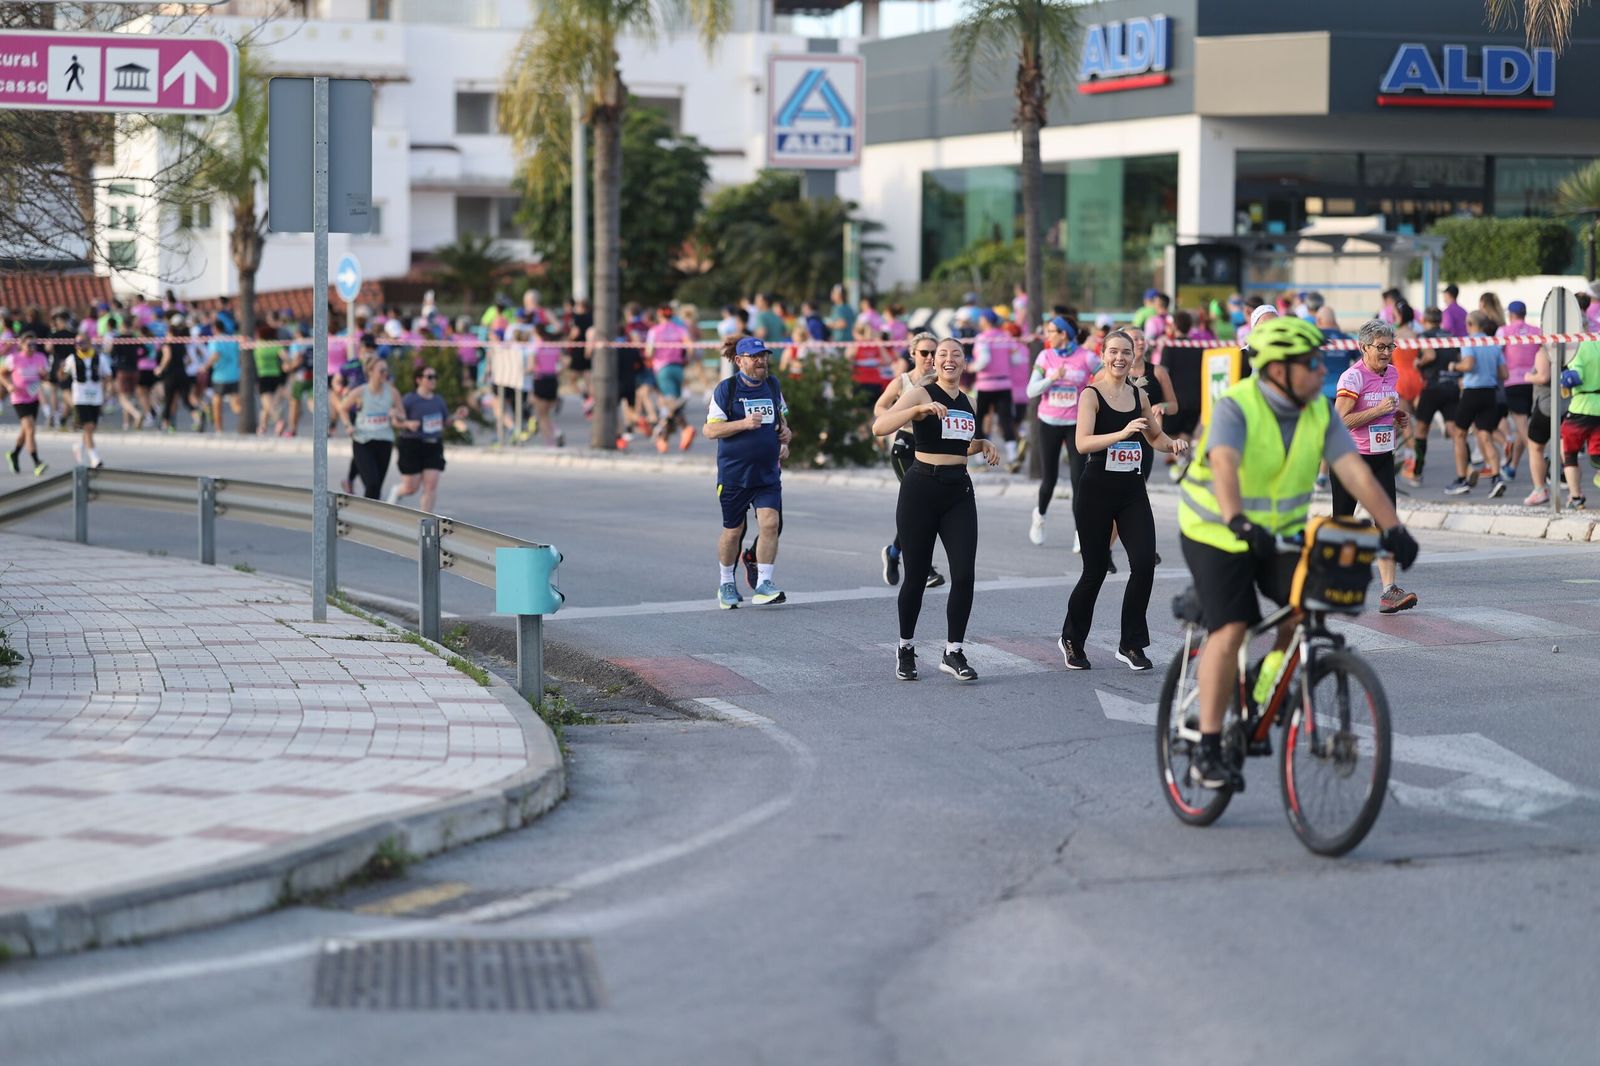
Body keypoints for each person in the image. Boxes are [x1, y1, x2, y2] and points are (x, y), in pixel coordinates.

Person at [1178, 317, 1419, 790]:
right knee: (1232, 626)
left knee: (1306, 605)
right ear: (1277, 370)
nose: (1320, 371)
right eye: (1309, 363)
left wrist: (1393, 527)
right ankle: (1207, 747)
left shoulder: (1316, 413)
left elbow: (1355, 471)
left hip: (1275, 535)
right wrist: (1237, 519)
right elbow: (1224, 464)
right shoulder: (1237, 405)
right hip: (1215, 531)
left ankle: (1262, 686)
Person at [1058, 330, 1190, 672]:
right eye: (1113, 352)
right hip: (1096, 490)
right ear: (1103, 355)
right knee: (1095, 570)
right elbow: (1082, 443)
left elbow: (1154, 436)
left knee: (1144, 564)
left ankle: (1130, 643)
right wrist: (1121, 433)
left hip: (1132, 491)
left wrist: (1172, 444)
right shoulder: (1091, 395)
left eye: (1126, 352)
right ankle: (1071, 639)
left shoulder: (1138, 394)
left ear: (1133, 357)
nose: (1120, 358)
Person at [873, 336, 1000, 682]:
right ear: (934, 361)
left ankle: (953, 651)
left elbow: (959, 444)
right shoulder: (921, 393)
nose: (948, 359)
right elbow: (879, 426)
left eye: (956, 354)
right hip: (921, 489)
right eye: (942, 354)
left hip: (958, 491)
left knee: (964, 575)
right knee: (916, 577)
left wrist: (983, 444)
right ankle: (905, 647)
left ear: (964, 362)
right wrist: (915, 412)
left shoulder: (970, 401)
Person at [1333, 321, 1416, 613]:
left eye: (1390, 346)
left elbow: (1383, 407)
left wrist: (1396, 415)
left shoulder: (1392, 373)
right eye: (1380, 347)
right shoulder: (1352, 377)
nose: (1386, 353)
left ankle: (1389, 591)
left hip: (1381, 456)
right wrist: (1378, 410)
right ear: (1364, 347)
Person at [704, 337, 792, 609]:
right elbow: (710, 430)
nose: (761, 361)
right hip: (734, 475)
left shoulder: (772, 385)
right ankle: (726, 583)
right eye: (754, 357)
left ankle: (764, 583)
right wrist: (742, 423)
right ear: (739, 360)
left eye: (763, 356)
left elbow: (781, 421)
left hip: (766, 474)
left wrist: (786, 437)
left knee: (770, 524)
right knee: (734, 531)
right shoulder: (727, 389)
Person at [877, 331, 946, 590]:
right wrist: (901, 416)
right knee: (920, 503)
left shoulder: (941, 381)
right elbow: (880, 408)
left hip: (932, 448)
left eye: (934, 353)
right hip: (905, 447)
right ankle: (924, 568)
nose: (929, 358)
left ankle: (894, 552)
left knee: (924, 507)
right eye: (924, 353)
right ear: (912, 354)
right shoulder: (903, 381)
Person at [1026, 315, 1100, 549]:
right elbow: (1031, 391)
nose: (1047, 335)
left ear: (1064, 333)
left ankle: (1081, 531)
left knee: (1079, 480)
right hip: (1048, 422)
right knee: (1050, 479)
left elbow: (1105, 378)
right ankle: (1040, 516)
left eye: (1051, 331)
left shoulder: (1086, 357)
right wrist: (1051, 378)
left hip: (1076, 425)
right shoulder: (1045, 356)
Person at [1444, 311, 1508, 498]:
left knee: (1459, 434)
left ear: (1470, 324)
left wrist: (1455, 366)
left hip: (1472, 392)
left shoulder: (1468, 341)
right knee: (1485, 436)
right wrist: (1488, 369)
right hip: (1490, 392)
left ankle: (1461, 479)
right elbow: (1504, 374)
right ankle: (1496, 477)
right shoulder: (1493, 343)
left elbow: (1469, 364)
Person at [386, 365, 465, 513]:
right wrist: (407, 424)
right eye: (429, 377)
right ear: (418, 380)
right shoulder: (409, 400)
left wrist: (456, 416)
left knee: (431, 486)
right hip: (411, 445)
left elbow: (444, 422)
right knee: (411, 487)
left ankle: (425, 519)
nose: (433, 380)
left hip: (433, 445)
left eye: (435, 377)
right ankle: (397, 491)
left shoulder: (438, 400)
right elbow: (395, 422)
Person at [1406, 305, 1461, 486]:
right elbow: (1458, 358)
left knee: (1421, 430)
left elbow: (1430, 355)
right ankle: (1467, 468)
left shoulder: (1424, 336)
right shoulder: (1450, 335)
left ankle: (1417, 472)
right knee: (1455, 431)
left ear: (1424, 320)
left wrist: (1418, 363)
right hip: (1451, 385)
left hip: (1432, 387)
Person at [338, 356, 400, 500]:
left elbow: (402, 413)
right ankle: (366, 512)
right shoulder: (360, 392)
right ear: (370, 371)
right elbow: (343, 408)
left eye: (386, 370)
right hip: (363, 441)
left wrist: (396, 414)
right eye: (381, 371)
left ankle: (370, 513)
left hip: (384, 442)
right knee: (372, 484)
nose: (385, 374)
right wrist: (348, 425)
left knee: (377, 488)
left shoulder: (392, 392)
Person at [1497, 300, 1540, 481]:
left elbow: (1497, 354)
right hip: (1533, 382)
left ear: (1510, 314)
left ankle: (1542, 459)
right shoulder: (1536, 331)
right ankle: (1512, 467)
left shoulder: (1503, 331)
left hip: (1513, 382)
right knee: (1524, 428)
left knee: (1522, 428)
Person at [1557, 336, 1600, 509]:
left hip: (1581, 407)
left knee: (1569, 453)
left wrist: (1564, 378)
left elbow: (1576, 376)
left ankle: (1576, 498)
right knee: (1597, 454)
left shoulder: (1577, 347)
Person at [2, 335, 50, 475]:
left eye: (34, 345)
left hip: (33, 397)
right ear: (21, 345)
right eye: (29, 345)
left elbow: (45, 377)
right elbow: (2, 374)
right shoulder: (14, 358)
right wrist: (8, 385)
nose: (32, 348)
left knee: (25, 431)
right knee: (30, 429)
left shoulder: (40, 358)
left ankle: (14, 454)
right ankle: (37, 462)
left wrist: (43, 374)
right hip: (19, 398)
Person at [61, 336, 111, 469]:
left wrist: (106, 391)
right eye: (77, 343)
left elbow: (107, 375)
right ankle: (94, 457)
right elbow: (62, 376)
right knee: (88, 426)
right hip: (80, 397)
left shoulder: (100, 358)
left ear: (89, 343)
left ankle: (80, 446)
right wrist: (61, 370)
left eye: (82, 342)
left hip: (95, 396)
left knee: (92, 426)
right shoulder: (72, 359)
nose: (79, 345)